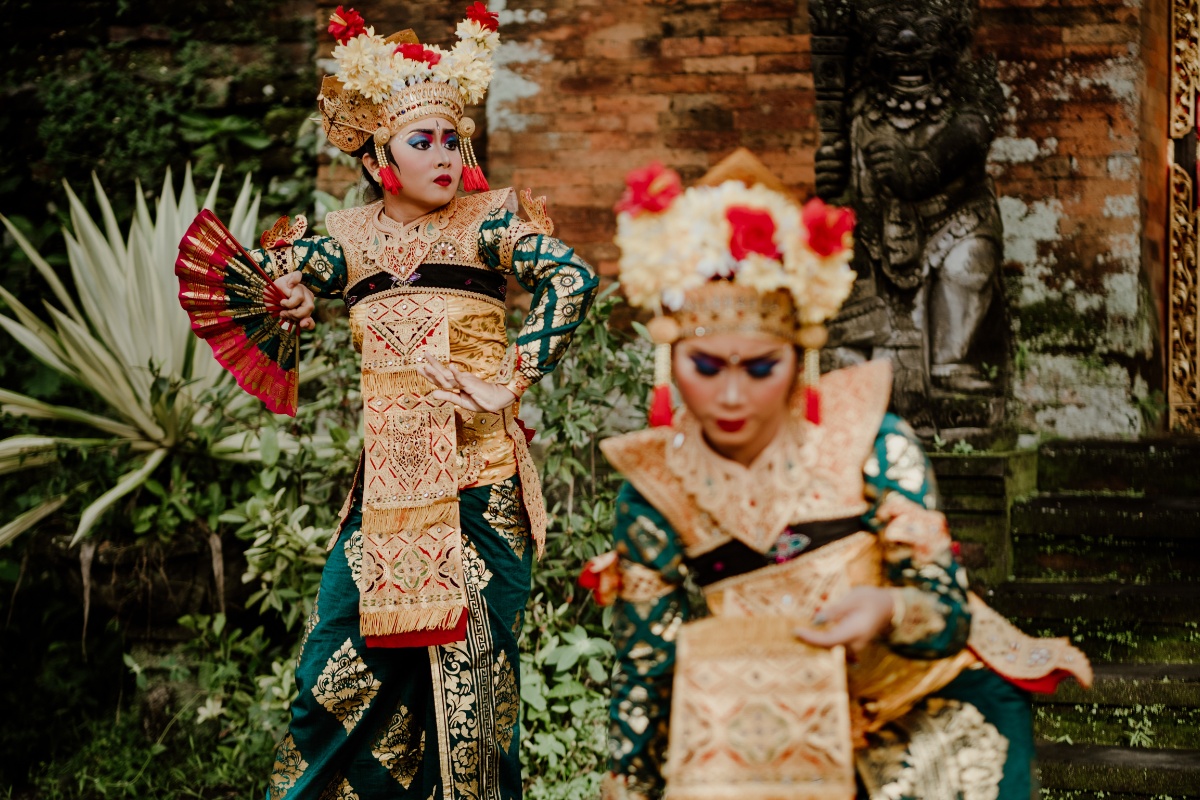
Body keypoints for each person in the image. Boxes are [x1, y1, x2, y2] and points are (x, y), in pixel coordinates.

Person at [180, 6, 599, 798]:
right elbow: (268, 272)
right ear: (378, 159)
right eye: (422, 141)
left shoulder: (489, 226)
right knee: (330, 686)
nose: (445, 156)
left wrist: (511, 376)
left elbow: (573, 277)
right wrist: (290, 293)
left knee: (473, 712)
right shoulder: (346, 241)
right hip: (386, 502)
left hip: (481, 491)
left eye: (452, 140)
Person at [581, 150, 1091, 800]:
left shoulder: (869, 442)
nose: (731, 397)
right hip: (775, 717)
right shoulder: (658, 486)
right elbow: (647, 665)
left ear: (800, 359)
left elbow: (946, 611)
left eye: (760, 368)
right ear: (670, 359)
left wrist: (888, 608)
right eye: (705, 367)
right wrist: (628, 783)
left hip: (926, 704)